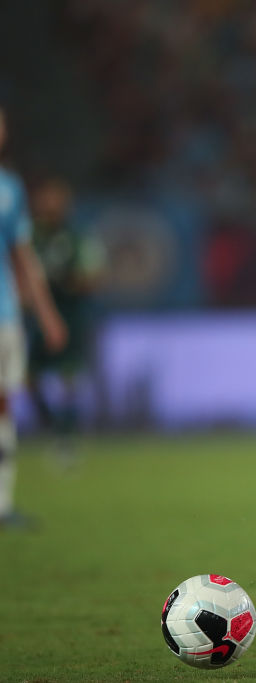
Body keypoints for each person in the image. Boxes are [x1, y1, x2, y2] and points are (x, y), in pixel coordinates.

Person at [0, 106, 68, 529]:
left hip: (4, 317)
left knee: (4, 406)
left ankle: (3, 504)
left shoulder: (9, 189)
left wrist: (47, 315)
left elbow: (22, 257)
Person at [25, 176, 105, 463]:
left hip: (71, 315)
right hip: (32, 317)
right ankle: (52, 425)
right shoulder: (28, 235)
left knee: (69, 376)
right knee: (27, 377)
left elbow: (93, 276)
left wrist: (66, 281)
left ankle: (67, 436)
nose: (50, 203)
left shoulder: (77, 237)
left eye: (56, 197)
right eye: (46, 197)